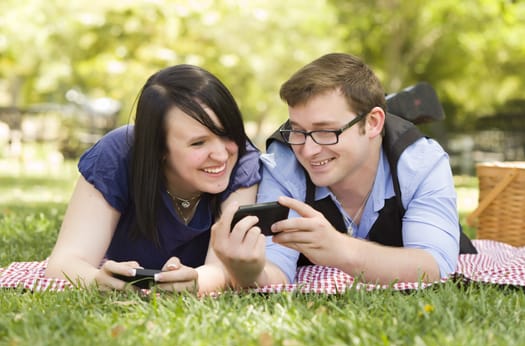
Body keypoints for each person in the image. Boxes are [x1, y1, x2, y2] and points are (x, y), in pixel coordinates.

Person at [45, 64, 288, 293]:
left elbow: (224, 268)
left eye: (227, 135)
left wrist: (196, 283)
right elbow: (65, 262)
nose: (222, 154)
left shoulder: (242, 159)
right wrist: (97, 280)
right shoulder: (115, 155)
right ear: (158, 147)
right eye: (199, 143)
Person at [258, 53, 474, 285]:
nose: (308, 150)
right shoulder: (283, 164)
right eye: (298, 130)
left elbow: (434, 267)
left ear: (372, 123)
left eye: (326, 131)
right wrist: (246, 270)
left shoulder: (421, 162)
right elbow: (273, 269)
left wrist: (342, 249)